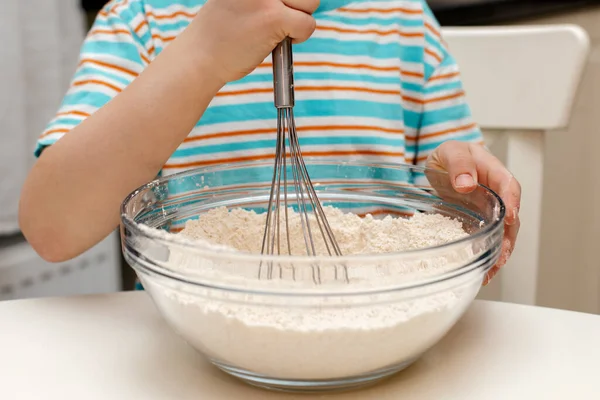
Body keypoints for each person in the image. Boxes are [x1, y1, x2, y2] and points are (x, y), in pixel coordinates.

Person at [19, 0, 520, 285]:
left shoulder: (405, 24)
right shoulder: (142, 22)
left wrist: (458, 188)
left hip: (381, 333)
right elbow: (54, 228)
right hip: (198, 347)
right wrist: (203, 55)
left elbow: (453, 208)